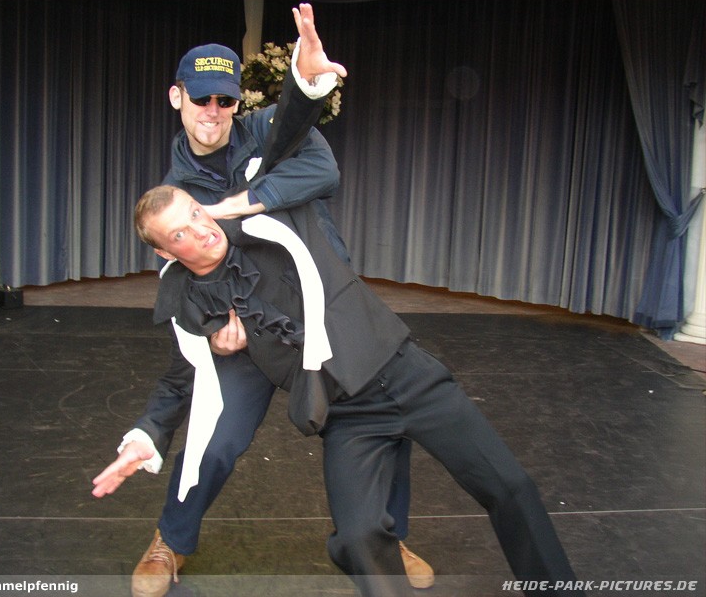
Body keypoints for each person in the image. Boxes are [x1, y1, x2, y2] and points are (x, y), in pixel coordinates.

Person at [92, 4, 432, 597]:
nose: (213, 111)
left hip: (318, 315)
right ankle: (171, 539)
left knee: (382, 419)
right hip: (246, 332)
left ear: (236, 102)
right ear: (176, 98)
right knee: (215, 441)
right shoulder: (173, 194)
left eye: (224, 100)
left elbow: (322, 170)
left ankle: (387, 539)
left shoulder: (269, 131)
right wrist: (214, 328)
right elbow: (181, 279)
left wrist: (241, 201)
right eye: (201, 99)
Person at [128, 178, 586, 597]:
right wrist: (144, 435)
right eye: (180, 233)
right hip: (348, 417)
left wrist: (300, 98)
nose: (201, 230)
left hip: (409, 377)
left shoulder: (276, 227)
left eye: (195, 212)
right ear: (166, 253)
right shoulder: (190, 307)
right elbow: (179, 378)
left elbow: (312, 164)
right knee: (357, 538)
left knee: (510, 486)